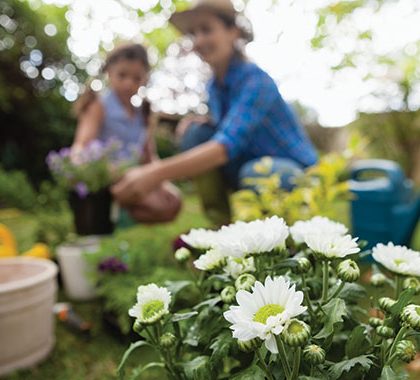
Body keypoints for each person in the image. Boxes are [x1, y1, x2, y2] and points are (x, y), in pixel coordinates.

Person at [112, 0, 318, 224]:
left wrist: (155, 174)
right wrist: (200, 123)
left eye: (207, 30)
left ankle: (280, 240)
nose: (199, 40)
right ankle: (222, 229)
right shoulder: (213, 87)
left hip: (292, 172)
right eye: (193, 33)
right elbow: (230, 129)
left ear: (233, 32)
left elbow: (225, 146)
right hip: (246, 165)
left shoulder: (256, 80)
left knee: (258, 171)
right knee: (195, 134)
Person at [72, 43, 181, 223]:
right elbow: (81, 146)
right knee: (159, 206)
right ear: (109, 73)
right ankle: (114, 213)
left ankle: (121, 212)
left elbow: (149, 157)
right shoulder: (99, 105)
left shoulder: (143, 113)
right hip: (107, 176)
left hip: (135, 176)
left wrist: (162, 182)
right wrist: (81, 167)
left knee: (173, 201)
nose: (128, 83)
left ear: (144, 79)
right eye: (122, 75)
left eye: (136, 78)